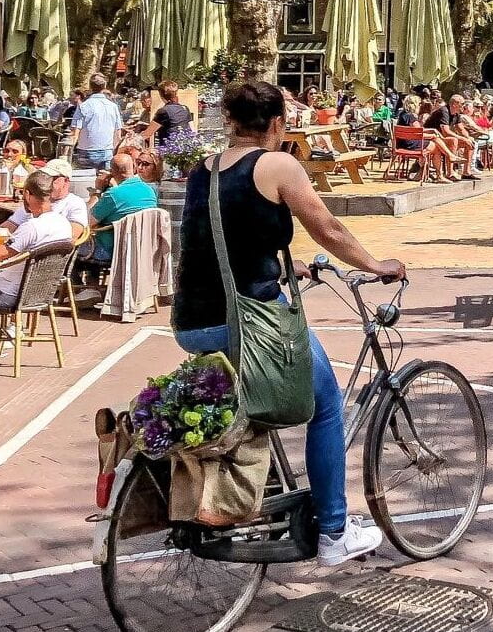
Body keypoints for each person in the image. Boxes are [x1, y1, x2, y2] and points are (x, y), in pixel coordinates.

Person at [173, 80, 402, 561]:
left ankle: (267, 503)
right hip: (250, 322)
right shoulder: (277, 163)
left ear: (231, 123)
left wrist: (279, 266)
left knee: (258, 403)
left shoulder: (204, 170)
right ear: (277, 123)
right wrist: (376, 265)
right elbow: (329, 229)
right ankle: (334, 535)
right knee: (326, 406)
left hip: (193, 320)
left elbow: (221, 244)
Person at [0, 171, 76, 314]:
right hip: (37, 293)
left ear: (27, 194)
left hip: (7, 294)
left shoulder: (31, 227)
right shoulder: (64, 224)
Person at [86, 150, 159, 262]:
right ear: (134, 167)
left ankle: (83, 278)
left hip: (113, 250)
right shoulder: (150, 191)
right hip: (141, 248)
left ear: (112, 172)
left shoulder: (113, 195)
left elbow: (88, 221)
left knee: (75, 249)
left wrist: (97, 191)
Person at [5, 157, 91, 239]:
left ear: (66, 181)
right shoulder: (36, 198)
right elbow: (9, 226)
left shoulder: (75, 203)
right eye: (44, 176)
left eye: (52, 178)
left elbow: (72, 235)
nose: (46, 180)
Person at [69, 73, 125, 170]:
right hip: (107, 151)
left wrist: (68, 154)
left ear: (90, 87)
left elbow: (75, 134)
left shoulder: (83, 106)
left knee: (85, 182)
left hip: (86, 151)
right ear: (104, 86)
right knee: (106, 183)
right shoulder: (113, 107)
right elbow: (117, 134)